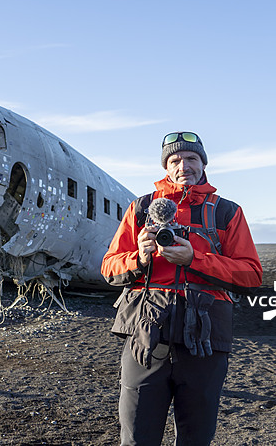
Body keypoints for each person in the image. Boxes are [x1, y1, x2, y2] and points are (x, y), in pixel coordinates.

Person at [101, 131, 263, 446]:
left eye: (191, 158)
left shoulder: (227, 212)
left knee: (196, 438)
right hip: (147, 335)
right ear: (166, 166)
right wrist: (140, 258)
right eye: (175, 160)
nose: (183, 166)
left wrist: (196, 259)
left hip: (204, 337)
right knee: (136, 437)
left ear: (203, 163)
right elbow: (109, 267)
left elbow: (251, 274)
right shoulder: (141, 207)